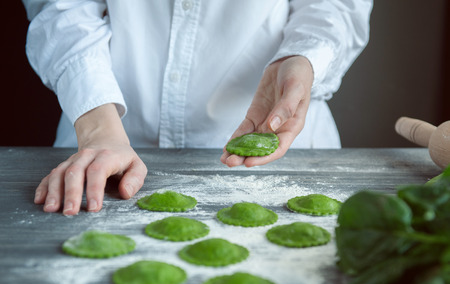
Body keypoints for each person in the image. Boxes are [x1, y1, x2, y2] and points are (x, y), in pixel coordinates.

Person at [22, 0, 372, 215]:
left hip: (281, 144)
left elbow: (336, 5)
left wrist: (304, 58)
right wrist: (99, 129)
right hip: (99, 141)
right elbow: (61, 8)